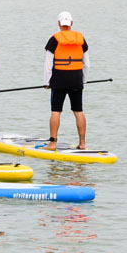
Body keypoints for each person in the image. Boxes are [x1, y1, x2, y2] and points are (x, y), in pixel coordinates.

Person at [44, 11, 88, 150]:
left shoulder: (54, 39)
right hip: (76, 80)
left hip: (59, 80)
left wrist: (47, 82)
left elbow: (48, 64)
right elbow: (86, 64)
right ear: (71, 24)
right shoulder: (81, 39)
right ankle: (82, 143)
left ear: (59, 23)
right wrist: (83, 81)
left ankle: (53, 143)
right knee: (78, 111)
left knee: (56, 111)